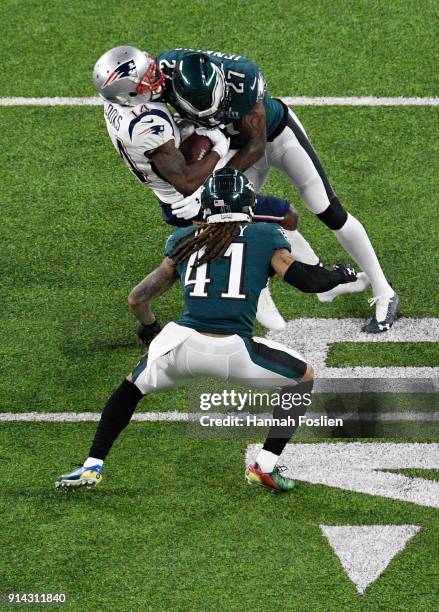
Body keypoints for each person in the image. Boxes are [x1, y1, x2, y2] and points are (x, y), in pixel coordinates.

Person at [56, 169, 357, 493]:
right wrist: (340, 274)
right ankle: (265, 465)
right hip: (234, 352)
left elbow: (137, 299)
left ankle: (92, 465)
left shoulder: (184, 238)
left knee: (130, 388)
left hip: (182, 347)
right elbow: (308, 281)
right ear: (246, 204)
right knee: (304, 378)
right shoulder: (264, 235)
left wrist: (150, 327)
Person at [91, 46, 341, 332]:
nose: (156, 74)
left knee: (176, 261)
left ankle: (145, 320)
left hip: (170, 194)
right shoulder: (148, 127)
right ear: (131, 93)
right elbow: (187, 180)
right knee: (286, 216)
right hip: (190, 197)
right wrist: (218, 147)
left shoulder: (118, 105)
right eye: (147, 77)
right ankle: (285, 284)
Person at [155, 47, 399, 333]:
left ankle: (385, 291)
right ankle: (300, 284)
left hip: (278, 136)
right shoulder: (164, 72)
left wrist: (217, 183)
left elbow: (257, 145)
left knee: (327, 208)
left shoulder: (243, 77)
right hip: (231, 148)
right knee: (231, 222)